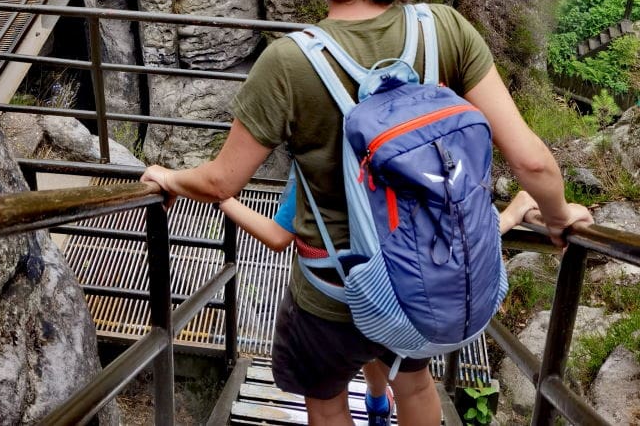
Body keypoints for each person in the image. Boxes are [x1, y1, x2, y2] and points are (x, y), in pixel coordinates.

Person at [141, 0, 592, 426]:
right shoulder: (444, 30)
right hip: (417, 280)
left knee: (327, 400)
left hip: (332, 292)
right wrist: (555, 214)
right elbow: (533, 161)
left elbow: (220, 183)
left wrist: (168, 176)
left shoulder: (287, 63)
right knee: (417, 385)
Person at [219, 179, 540, 426]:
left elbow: (277, 236)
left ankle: (376, 402)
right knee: (409, 380)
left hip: (334, 293)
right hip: (408, 286)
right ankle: (376, 402)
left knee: (330, 396)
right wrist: (513, 213)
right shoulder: (411, 141)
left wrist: (222, 198)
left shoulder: (317, 148)